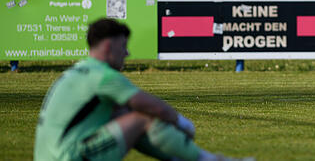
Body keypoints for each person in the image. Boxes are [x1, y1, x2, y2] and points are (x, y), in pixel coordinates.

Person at [34, 18, 243, 161]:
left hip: (50, 155)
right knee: (143, 118)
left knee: (124, 116)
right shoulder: (104, 77)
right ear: (108, 47)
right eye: (123, 46)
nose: (127, 52)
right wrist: (183, 123)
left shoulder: (78, 71)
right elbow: (154, 108)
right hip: (70, 156)